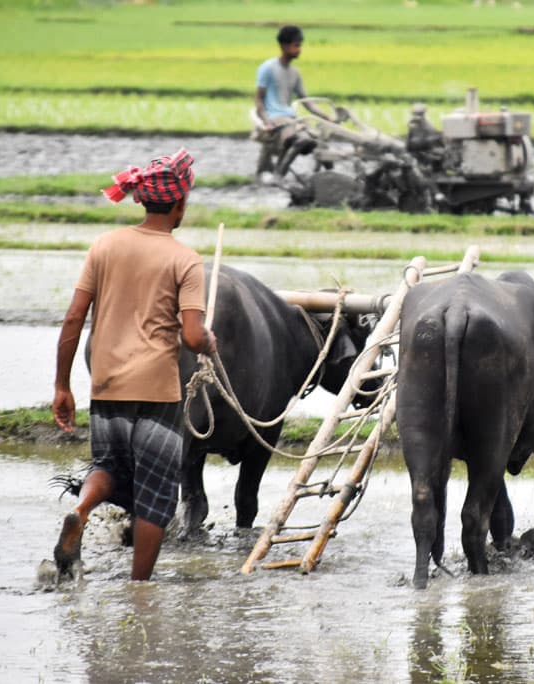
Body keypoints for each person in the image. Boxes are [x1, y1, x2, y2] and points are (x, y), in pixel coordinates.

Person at [51, 148, 217, 582]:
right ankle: (139, 590)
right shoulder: (185, 259)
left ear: (141, 200)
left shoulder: (104, 246)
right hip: (157, 395)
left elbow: (73, 318)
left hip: (106, 386)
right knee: (155, 497)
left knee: (107, 468)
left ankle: (80, 509)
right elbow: (194, 335)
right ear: (180, 204)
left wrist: (62, 385)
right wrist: (210, 343)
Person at [254, 24, 332, 179]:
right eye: (296, 45)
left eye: (300, 45)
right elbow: (258, 100)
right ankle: (279, 175)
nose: (299, 49)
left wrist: (327, 117)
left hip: (292, 118)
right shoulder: (267, 68)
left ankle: (327, 177)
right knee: (297, 140)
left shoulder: (295, 73)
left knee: (321, 145)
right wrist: (266, 121)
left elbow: (307, 102)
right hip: (276, 118)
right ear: (284, 46)